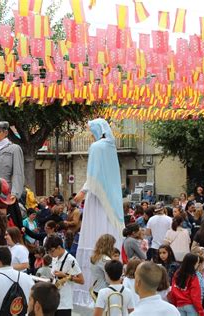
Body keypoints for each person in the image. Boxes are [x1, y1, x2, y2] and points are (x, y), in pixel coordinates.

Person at [74, 119, 124, 306]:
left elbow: (93, 175)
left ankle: (89, 291)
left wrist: (82, 192)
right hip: (112, 199)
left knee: (93, 230)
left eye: (90, 129)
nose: (89, 133)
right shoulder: (111, 147)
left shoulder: (97, 147)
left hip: (97, 195)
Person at [45, 234, 84, 315]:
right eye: (48, 252)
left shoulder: (71, 260)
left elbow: (81, 280)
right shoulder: (54, 257)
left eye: (51, 251)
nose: (50, 254)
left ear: (59, 247)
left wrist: (65, 275)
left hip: (64, 304)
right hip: (53, 301)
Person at [90, 234, 115, 298]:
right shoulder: (106, 260)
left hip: (97, 288)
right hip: (105, 290)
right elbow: (108, 280)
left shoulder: (95, 257)